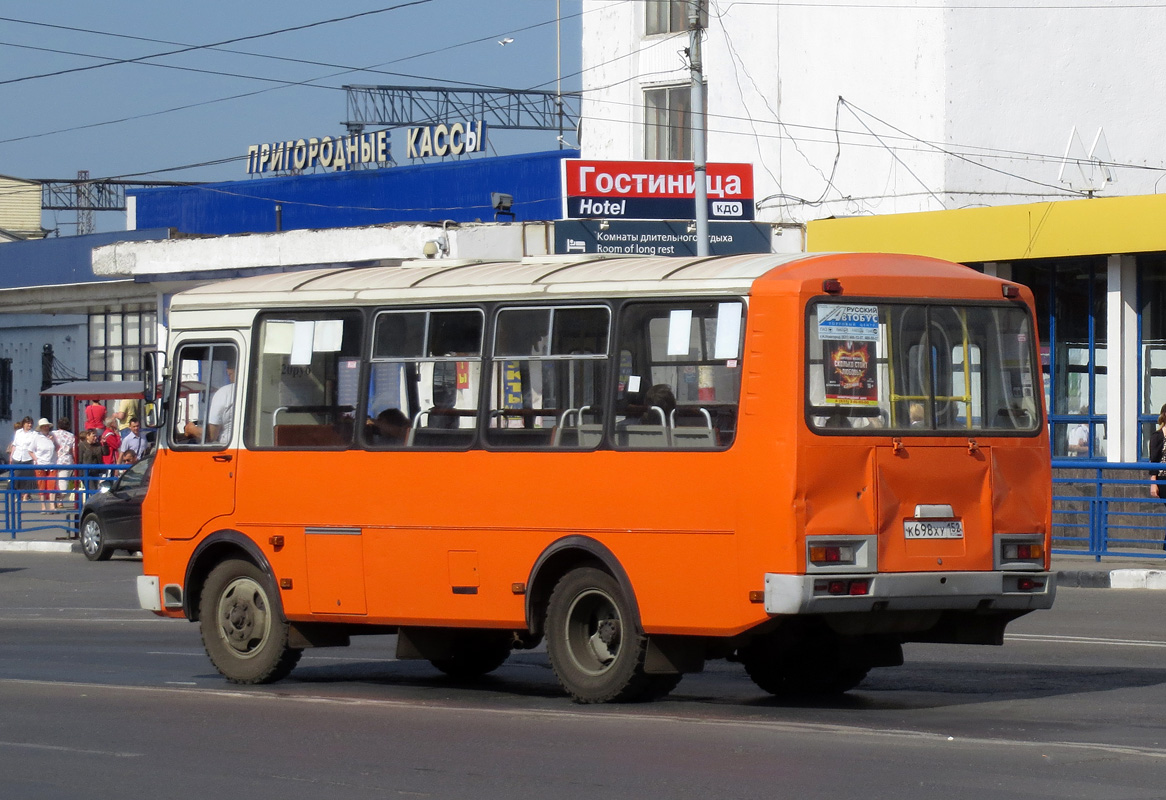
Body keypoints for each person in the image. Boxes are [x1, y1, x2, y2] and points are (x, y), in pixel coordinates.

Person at [184, 360, 235, 444]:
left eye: (230, 374)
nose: (229, 377)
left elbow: (210, 436)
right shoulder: (257, 392)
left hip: (226, 448)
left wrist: (191, 429)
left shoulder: (224, 392)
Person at [31, 418, 56, 511]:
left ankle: (52, 505)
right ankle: (43, 506)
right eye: (44, 426)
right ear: (41, 428)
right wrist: (36, 460)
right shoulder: (37, 437)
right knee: (41, 485)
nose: (46, 428)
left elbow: (57, 448)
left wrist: (53, 441)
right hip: (40, 464)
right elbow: (30, 450)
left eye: (47, 426)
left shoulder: (52, 436)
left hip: (51, 463)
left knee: (52, 484)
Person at [51, 417, 76, 511]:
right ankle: (60, 499)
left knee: (54, 482)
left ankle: (55, 500)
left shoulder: (53, 433)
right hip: (66, 460)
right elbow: (73, 450)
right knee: (63, 482)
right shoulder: (71, 436)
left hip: (53, 459)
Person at [9, 416, 36, 501]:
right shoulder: (18, 432)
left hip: (28, 457)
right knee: (17, 476)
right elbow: (15, 444)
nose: (30, 425)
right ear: (24, 424)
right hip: (17, 456)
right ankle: (19, 494)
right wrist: (11, 455)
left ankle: (25, 495)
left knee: (28, 477)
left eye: (31, 423)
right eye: (28, 423)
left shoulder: (34, 434)